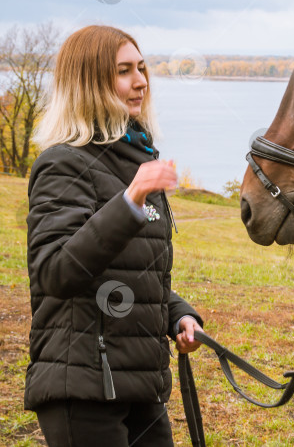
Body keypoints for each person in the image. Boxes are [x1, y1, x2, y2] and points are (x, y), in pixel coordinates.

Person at [25, 25, 204, 447]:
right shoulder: (62, 165)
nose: (141, 81)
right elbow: (55, 272)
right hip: (83, 387)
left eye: (141, 68)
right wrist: (129, 202)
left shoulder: (137, 162)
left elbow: (136, 275)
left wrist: (179, 314)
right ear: (88, 84)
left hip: (141, 385)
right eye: (124, 71)